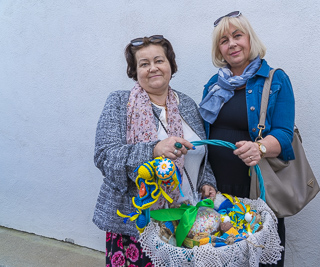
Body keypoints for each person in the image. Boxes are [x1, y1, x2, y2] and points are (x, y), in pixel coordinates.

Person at [93, 35, 217, 267]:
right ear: (134, 70)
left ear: (170, 64)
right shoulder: (120, 103)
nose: (153, 68)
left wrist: (206, 181)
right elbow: (104, 156)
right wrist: (154, 150)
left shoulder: (187, 104)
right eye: (144, 63)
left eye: (159, 60)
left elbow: (200, 153)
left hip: (185, 220)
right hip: (138, 225)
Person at [199, 11, 295, 267]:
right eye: (224, 40)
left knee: (258, 258)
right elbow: (204, 135)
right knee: (218, 257)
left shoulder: (275, 79)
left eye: (237, 35)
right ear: (219, 49)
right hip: (217, 191)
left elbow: (285, 135)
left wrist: (260, 147)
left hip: (257, 191)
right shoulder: (213, 85)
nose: (232, 43)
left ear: (249, 39)